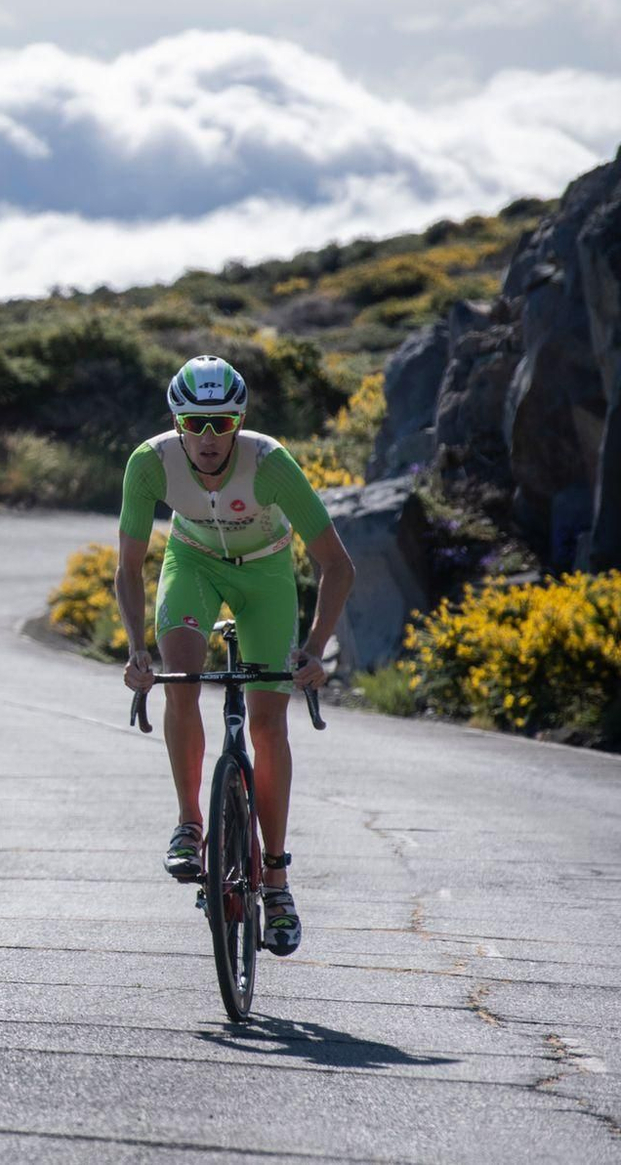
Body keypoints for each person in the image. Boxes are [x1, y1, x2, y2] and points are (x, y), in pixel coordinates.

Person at [115, 355, 354, 955]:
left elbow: (337, 566)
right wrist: (136, 650)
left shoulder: (269, 464)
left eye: (221, 423)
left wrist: (315, 651)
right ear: (176, 423)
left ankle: (275, 881)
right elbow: (127, 567)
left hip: (266, 573)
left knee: (269, 722)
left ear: (239, 421)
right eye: (194, 424)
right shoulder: (150, 464)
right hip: (192, 563)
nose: (207, 438)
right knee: (181, 679)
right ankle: (190, 823)